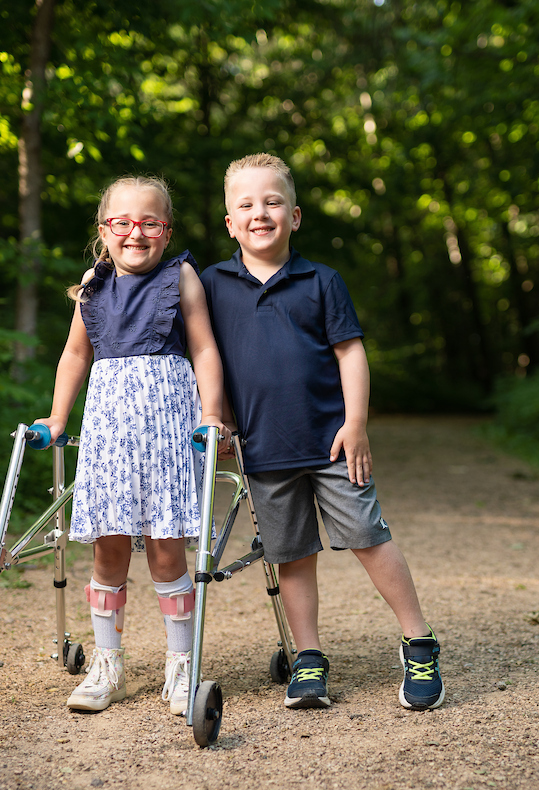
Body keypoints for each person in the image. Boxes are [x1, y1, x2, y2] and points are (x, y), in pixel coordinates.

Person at [199, 153, 444, 711]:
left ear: (296, 215)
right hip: (263, 448)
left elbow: (350, 352)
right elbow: (200, 353)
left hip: (332, 443)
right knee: (290, 554)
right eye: (246, 205)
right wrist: (219, 418)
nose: (260, 213)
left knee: (368, 536)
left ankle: (419, 641)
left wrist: (355, 424)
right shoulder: (211, 284)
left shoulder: (320, 280)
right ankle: (308, 658)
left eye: (273, 202)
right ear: (230, 223)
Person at [36, 175, 226, 716]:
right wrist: (57, 416)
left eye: (149, 223)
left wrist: (211, 414)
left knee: (167, 548)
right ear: (104, 231)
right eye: (123, 223)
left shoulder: (181, 276)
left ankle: (181, 662)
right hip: (109, 435)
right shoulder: (92, 284)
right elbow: (75, 355)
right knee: (109, 546)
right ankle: (107, 662)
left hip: (166, 428)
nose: (135, 233)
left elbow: (205, 347)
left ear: (166, 232)